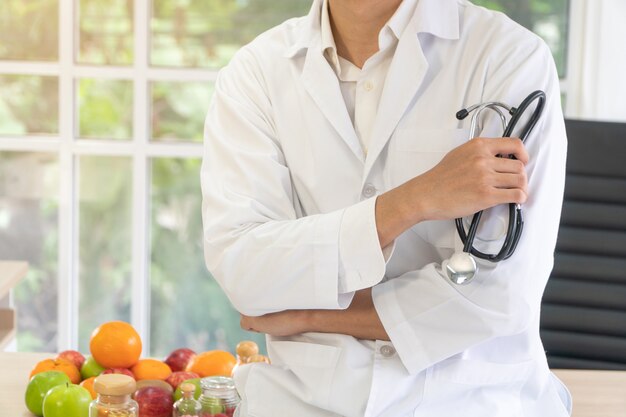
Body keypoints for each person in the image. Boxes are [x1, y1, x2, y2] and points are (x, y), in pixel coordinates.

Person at [201, 0, 571, 416]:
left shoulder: (507, 56)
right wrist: (413, 201)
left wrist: (307, 312)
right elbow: (244, 269)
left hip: (471, 401)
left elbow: (497, 297)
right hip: (301, 402)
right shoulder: (255, 73)